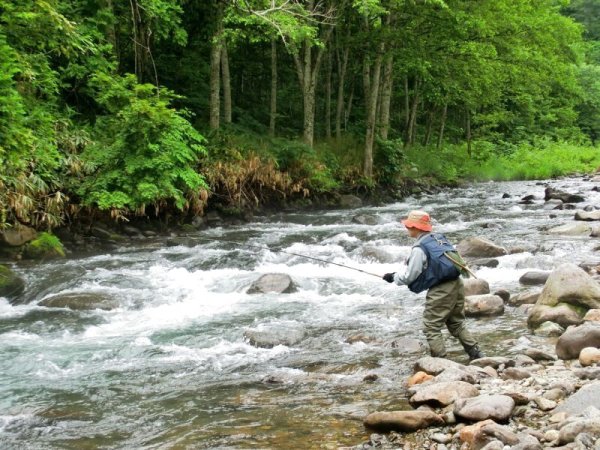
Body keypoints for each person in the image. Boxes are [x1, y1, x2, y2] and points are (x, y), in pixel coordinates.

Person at [382, 210, 484, 361]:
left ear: (416, 227)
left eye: (409, 225)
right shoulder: (438, 239)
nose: (407, 228)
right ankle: (476, 354)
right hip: (456, 283)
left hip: (441, 289)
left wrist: (393, 277)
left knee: (431, 326)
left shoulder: (419, 249)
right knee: (456, 323)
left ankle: (440, 362)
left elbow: (411, 275)